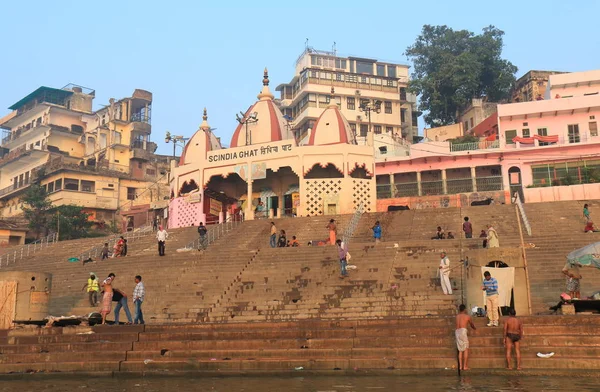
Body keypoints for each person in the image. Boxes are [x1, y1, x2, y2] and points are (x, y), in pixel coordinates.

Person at [456, 304, 476, 371]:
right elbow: (471, 324)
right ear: (464, 309)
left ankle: (460, 367)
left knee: (460, 350)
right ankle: (465, 366)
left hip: (457, 332)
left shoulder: (457, 316)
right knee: (465, 349)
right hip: (463, 331)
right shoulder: (467, 316)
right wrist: (474, 328)